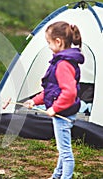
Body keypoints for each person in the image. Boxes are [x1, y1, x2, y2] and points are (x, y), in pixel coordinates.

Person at [24, 21, 84, 179]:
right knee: (62, 148)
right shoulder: (60, 62)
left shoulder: (63, 64)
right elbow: (51, 90)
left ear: (58, 41)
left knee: (65, 152)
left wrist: (55, 108)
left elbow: (69, 93)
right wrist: (34, 101)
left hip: (63, 113)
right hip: (63, 112)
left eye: (49, 42)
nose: (48, 46)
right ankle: (57, 175)